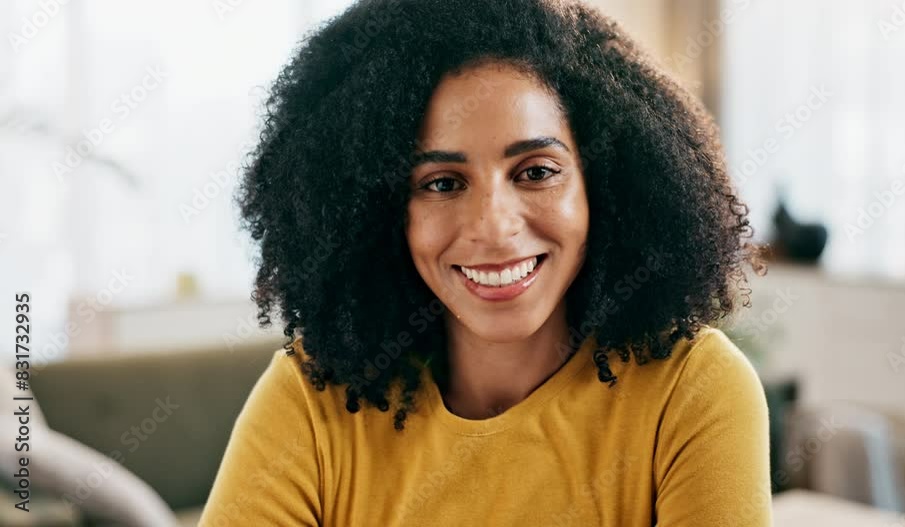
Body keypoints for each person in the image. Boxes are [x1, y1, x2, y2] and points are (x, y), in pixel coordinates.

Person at [201, 0, 771, 525]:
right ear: (379, 213)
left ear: (605, 184)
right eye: (442, 183)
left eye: (536, 172)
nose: (495, 228)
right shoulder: (312, 397)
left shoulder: (691, 391)